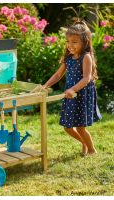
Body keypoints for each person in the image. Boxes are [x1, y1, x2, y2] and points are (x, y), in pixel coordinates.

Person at [43, 20, 102, 155]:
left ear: (85, 42)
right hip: (71, 95)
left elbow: (87, 78)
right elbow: (58, 74)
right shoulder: (69, 58)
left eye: (74, 41)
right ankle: (84, 143)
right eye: (68, 41)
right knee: (67, 127)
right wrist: (46, 86)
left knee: (80, 128)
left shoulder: (86, 57)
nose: (70, 45)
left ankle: (92, 150)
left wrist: (73, 89)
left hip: (81, 94)